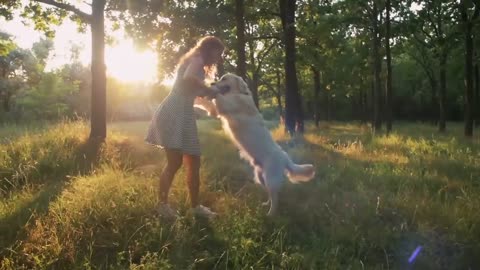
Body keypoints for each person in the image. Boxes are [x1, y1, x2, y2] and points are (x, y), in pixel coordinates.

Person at [145, 36, 225, 219]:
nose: (219, 58)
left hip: (185, 115)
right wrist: (210, 90)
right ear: (208, 49)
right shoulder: (196, 59)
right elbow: (189, 79)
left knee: (194, 162)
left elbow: (192, 94)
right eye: (218, 53)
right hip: (174, 112)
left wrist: (209, 106)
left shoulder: (197, 63)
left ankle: (195, 207)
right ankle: (162, 206)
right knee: (175, 163)